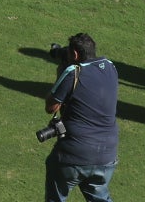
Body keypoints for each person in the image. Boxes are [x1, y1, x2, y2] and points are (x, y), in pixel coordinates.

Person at [45, 33, 119, 201]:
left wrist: (60, 74)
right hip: (107, 155)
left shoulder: (73, 71)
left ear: (75, 55)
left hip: (74, 154)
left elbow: (51, 107)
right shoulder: (110, 66)